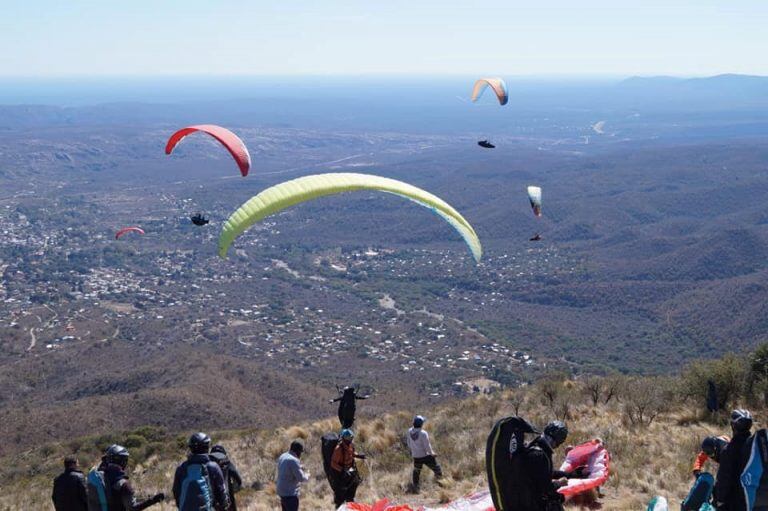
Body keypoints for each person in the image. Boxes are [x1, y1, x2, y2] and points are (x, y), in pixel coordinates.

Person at [509, 420, 569, 511]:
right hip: (531, 504)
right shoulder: (539, 455)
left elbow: (545, 473)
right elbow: (545, 488)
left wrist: (571, 474)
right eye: (559, 442)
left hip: (524, 499)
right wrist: (559, 483)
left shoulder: (536, 447)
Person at [90, 445, 165, 511]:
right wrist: (153, 500)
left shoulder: (100, 477)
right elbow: (133, 508)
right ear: (123, 461)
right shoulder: (123, 484)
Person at [172, 433, 229, 511]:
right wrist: (224, 505)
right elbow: (222, 492)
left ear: (191, 448)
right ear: (206, 447)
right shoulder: (213, 467)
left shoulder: (181, 468)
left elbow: (176, 492)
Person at [714, 409, 753, 511]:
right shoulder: (757, 446)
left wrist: (720, 500)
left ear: (733, 426)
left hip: (735, 501)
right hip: (755, 498)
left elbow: (724, 478)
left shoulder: (729, 450)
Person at [406, 415, 443, 493]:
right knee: (437, 469)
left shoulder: (409, 431)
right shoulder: (423, 433)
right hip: (425, 456)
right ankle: (441, 484)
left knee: (416, 471)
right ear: (421, 424)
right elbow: (427, 446)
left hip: (416, 456)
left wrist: (414, 451)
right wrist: (432, 453)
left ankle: (415, 487)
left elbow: (409, 444)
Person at [330, 429, 366, 507]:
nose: (349, 439)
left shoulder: (350, 445)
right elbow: (333, 463)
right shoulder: (338, 449)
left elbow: (351, 453)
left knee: (354, 485)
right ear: (343, 438)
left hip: (349, 471)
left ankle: (350, 502)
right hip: (341, 475)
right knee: (341, 495)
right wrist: (342, 470)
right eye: (347, 438)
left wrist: (358, 455)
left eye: (350, 438)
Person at [276, 440, 310, 511]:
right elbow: (301, 478)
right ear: (297, 451)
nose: (300, 454)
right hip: (290, 494)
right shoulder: (293, 460)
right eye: (300, 452)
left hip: (282, 492)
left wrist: (299, 466)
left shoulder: (283, 456)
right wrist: (307, 475)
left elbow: (287, 468)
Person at [209, 445, 243, 511]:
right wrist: (233, 489)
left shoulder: (206, 464)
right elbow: (238, 480)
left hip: (210, 502)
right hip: (226, 501)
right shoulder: (227, 463)